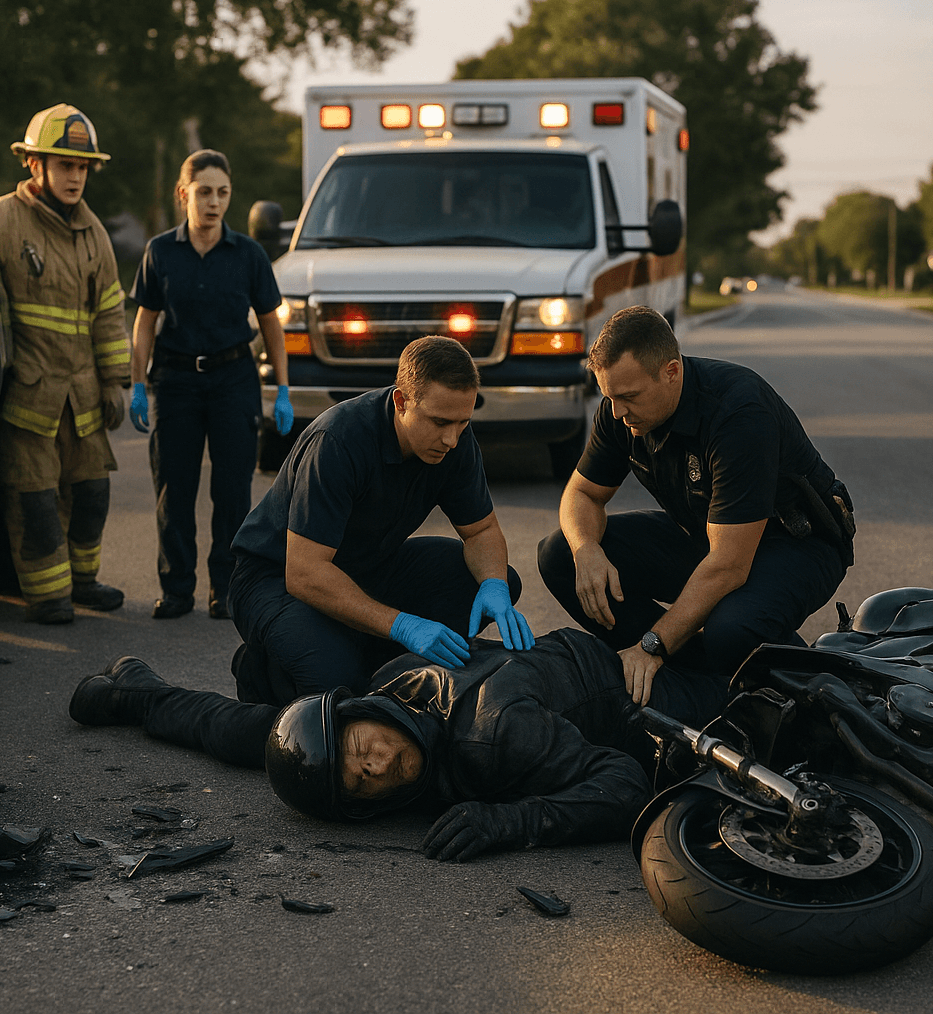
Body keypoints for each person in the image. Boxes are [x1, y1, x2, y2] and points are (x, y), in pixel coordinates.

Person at [67, 627, 731, 861]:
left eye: (366, 749)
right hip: (518, 675)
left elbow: (624, 782)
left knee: (755, 715)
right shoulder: (390, 691)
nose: (380, 763)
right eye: (363, 779)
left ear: (365, 715)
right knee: (266, 736)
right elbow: (242, 727)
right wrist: (144, 700)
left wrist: (513, 821)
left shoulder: (496, 738)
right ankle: (137, 692)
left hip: (636, 687)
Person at [538, 305, 855, 705]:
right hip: (711, 536)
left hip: (798, 544)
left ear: (671, 371)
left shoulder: (738, 412)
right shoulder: (620, 408)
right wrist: (586, 550)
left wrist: (654, 643)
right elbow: (582, 494)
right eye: (609, 397)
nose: (617, 412)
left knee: (731, 631)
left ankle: (820, 692)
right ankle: (689, 673)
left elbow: (729, 565)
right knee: (560, 555)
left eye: (629, 397)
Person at [226, 335, 534, 703]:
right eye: (439, 422)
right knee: (340, 688)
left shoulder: (454, 440)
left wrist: (494, 586)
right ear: (401, 402)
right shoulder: (338, 440)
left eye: (462, 423)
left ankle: (359, 649)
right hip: (276, 578)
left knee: (497, 578)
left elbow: (481, 530)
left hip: (366, 566)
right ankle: (266, 667)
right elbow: (304, 572)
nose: (451, 439)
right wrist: (402, 625)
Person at [127, 150, 292, 620]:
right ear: (184, 194)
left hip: (232, 379)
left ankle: (227, 589)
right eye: (204, 192)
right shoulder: (160, 252)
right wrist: (137, 383)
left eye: (222, 192)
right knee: (173, 488)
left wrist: (282, 389)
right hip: (176, 381)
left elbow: (271, 324)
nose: (214, 202)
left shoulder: (249, 255)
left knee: (232, 490)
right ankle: (177, 589)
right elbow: (145, 322)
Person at [0, 104, 130, 624]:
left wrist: (115, 382)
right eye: (65, 164)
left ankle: (83, 581)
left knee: (92, 493)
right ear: (34, 164)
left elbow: (109, 313)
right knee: (36, 501)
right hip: (29, 397)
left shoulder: (94, 233)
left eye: (82, 167)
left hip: (84, 396)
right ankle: (47, 596)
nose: (75, 176)